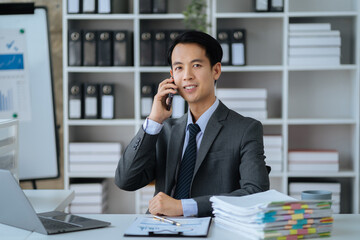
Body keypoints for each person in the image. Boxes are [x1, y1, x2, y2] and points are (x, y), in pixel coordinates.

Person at [115, 30, 269, 217]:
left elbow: (255, 193)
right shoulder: (165, 131)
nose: (187, 76)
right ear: (172, 76)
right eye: (179, 68)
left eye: (196, 65)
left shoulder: (245, 129)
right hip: (160, 230)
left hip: (213, 230)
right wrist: (154, 120)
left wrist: (183, 207)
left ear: (216, 70)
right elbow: (126, 181)